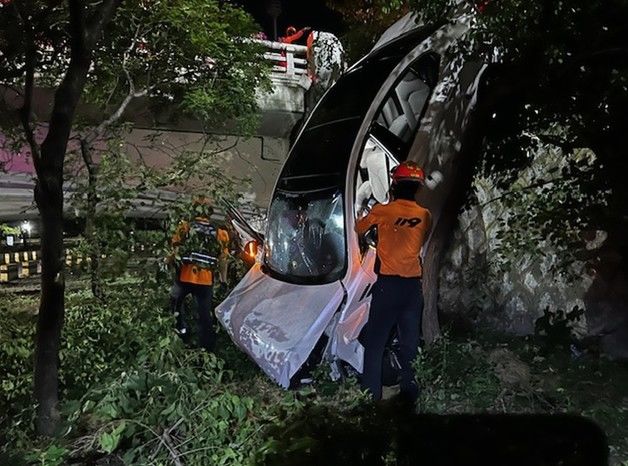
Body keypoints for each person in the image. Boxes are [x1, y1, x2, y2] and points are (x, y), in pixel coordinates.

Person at [356, 161, 432, 402]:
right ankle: (410, 396)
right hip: (412, 290)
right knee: (410, 345)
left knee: (376, 343)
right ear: (417, 188)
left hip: (388, 287)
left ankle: (371, 398)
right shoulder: (424, 215)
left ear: (394, 184)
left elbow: (358, 228)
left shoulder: (383, 211)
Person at [167, 196, 230, 352]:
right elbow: (223, 260)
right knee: (204, 315)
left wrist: (167, 264)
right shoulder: (220, 233)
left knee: (175, 304)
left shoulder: (185, 227)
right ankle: (207, 348)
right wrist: (223, 280)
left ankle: (182, 333)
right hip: (205, 281)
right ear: (209, 213)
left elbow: (173, 251)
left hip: (185, 277)